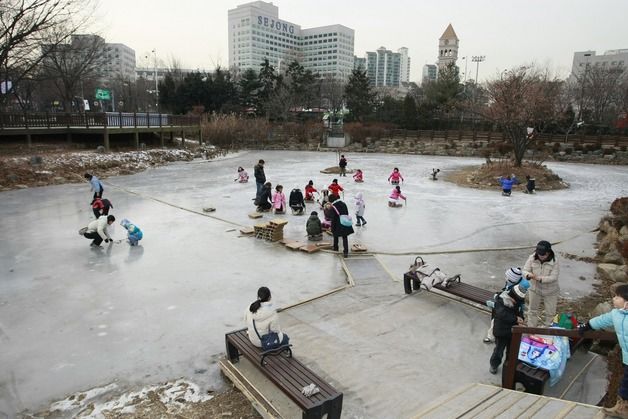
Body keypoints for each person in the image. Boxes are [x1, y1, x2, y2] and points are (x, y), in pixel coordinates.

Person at [579, 284, 628, 417]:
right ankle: (622, 408)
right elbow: (602, 320)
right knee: (625, 385)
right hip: (627, 358)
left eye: (618, 297)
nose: (614, 299)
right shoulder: (616, 314)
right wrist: (587, 325)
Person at [489, 283, 528, 375]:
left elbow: (519, 312)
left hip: (512, 331)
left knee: (511, 351)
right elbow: (502, 314)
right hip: (501, 332)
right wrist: (515, 319)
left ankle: (508, 367)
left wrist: (521, 318)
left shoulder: (516, 303)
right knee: (498, 351)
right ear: (511, 296)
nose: (517, 303)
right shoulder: (501, 301)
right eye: (517, 300)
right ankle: (494, 365)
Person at [484, 267, 528, 343]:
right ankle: (493, 336)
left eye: (507, 277)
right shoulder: (512, 281)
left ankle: (493, 337)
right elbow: (505, 292)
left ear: (512, 279)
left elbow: (508, 299)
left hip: (513, 308)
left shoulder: (519, 287)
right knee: (497, 318)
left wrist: (496, 302)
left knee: (497, 319)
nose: (505, 278)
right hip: (507, 305)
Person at [524, 240, 560, 327]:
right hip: (534, 289)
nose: (541, 256)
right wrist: (528, 275)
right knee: (532, 310)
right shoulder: (532, 258)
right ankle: (531, 328)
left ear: (548, 253)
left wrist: (539, 279)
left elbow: (553, 277)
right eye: (539, 254)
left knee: (550, 312)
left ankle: (547, 329)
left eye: (543, 255)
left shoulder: (555, 261)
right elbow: (525, 270)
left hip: (551, 290)